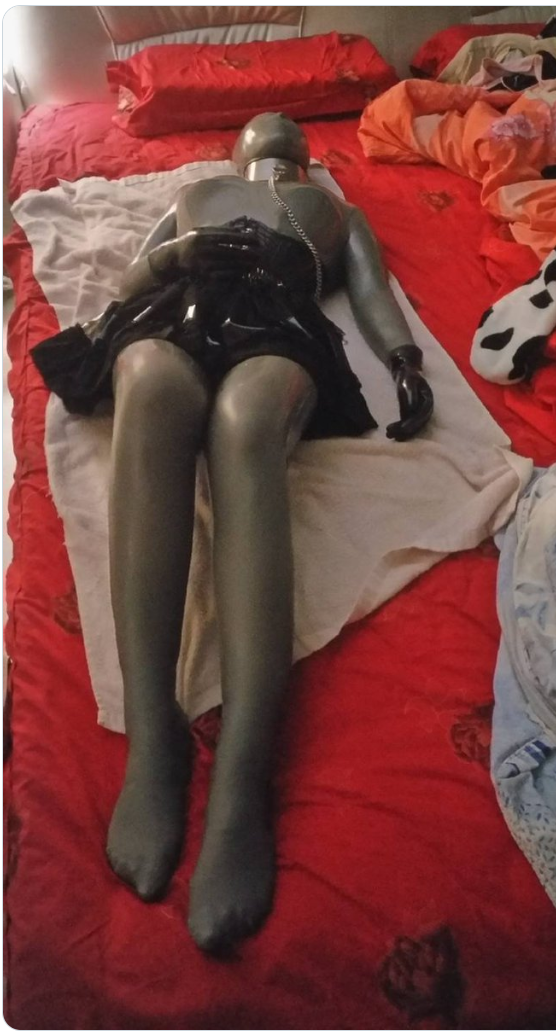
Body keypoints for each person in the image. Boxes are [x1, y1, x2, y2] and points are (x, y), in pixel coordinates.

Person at [31, 111, 434, 954]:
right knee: (149, 385)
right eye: (260, 121)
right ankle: (155, 734)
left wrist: (404, 360)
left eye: (288, 123)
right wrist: (178, 253)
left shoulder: (338, 210)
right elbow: (129, 283)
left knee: (248, 422)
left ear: (307, 154)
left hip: (278, 330)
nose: (275, 124)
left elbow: (371, 293)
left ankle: (244, 776)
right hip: (172, 314)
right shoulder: (194, 191)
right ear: (237, 146)